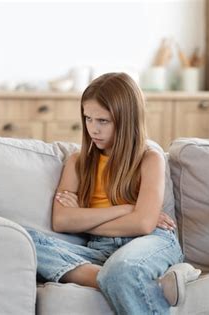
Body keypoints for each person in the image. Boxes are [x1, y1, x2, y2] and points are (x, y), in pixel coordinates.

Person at [26, 72, 183, 314]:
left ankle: (121, 277)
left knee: (122, 269)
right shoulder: (78, 162)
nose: (93, 129)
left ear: (126, 119)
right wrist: (127, 208)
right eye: (88, 119)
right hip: (100, 249)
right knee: (24, 239)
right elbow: (61, 221)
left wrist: (82, 218)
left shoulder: (149, 158)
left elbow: (143, 224)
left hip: (149, 241)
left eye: (103, 121)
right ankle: (142, 284)